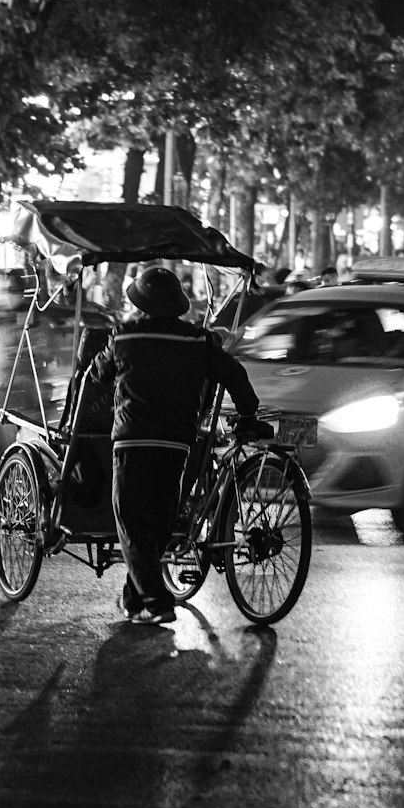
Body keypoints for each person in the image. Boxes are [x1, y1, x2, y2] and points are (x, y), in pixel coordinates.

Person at [85, 264, 261, 627]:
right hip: (177, 444)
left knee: (132, 522)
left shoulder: (124, 337)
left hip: (133, 441)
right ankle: (135, 598)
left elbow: (96, 377)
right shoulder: (197, 341)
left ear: (141, 303)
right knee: (161, 522)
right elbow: (235, 374)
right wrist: (248, 413)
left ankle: (155, 600)